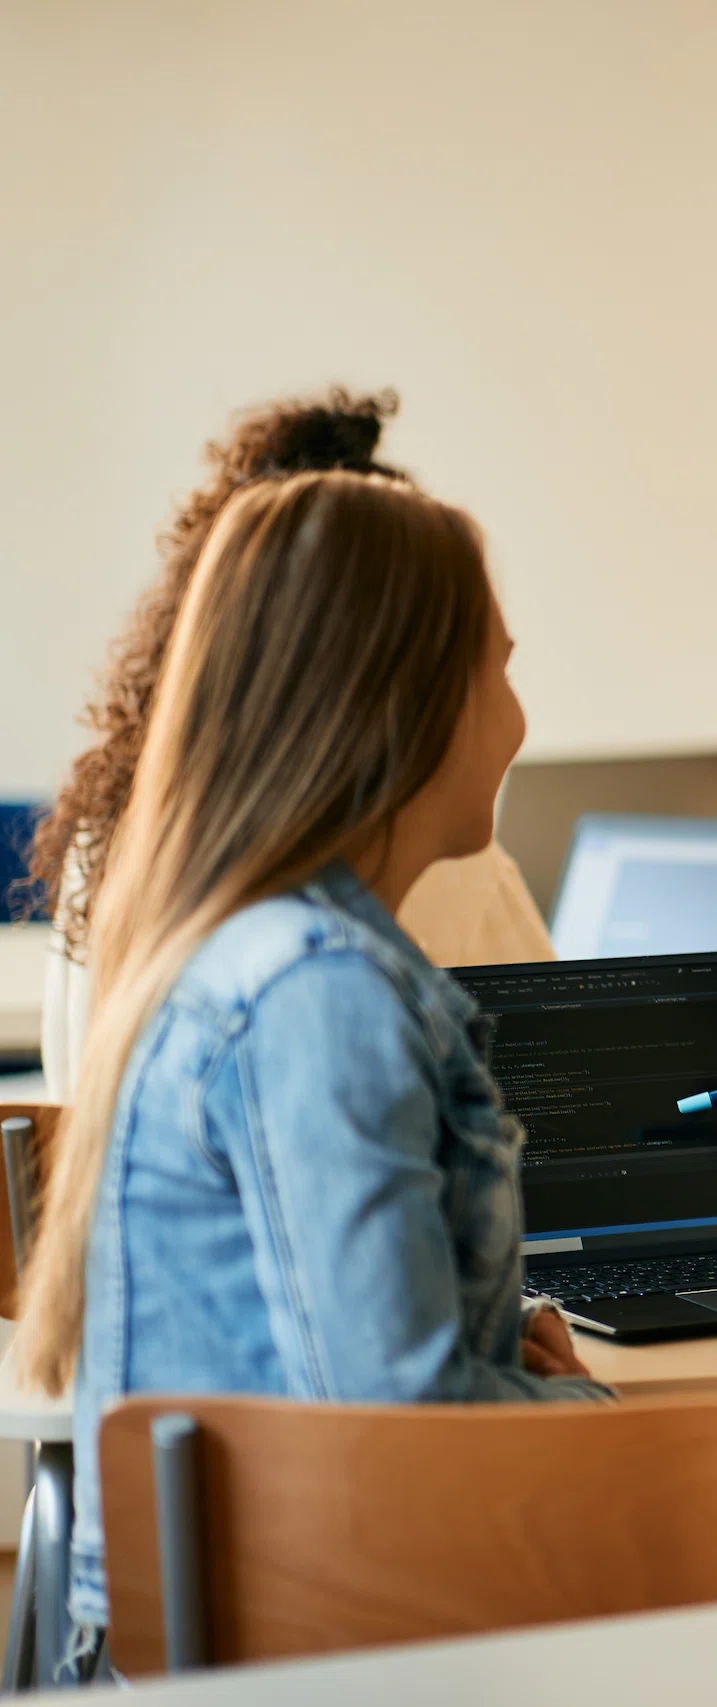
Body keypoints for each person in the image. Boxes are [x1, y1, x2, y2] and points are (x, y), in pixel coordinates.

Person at [13, 472, 608, 1655]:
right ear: (406, 701)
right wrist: (562, 1405)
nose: (520, 717)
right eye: (499, 667)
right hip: (299, 1652)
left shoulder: (252, 951)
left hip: (238, 1634)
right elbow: (400, 1433)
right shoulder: (319, 994)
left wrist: (491, 1351)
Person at [23, 388, 553, 1103]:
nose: (516, 721)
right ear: (381, 678)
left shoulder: (127, 847)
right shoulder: (342, 972)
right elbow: (566, 1128)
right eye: (483, 669)